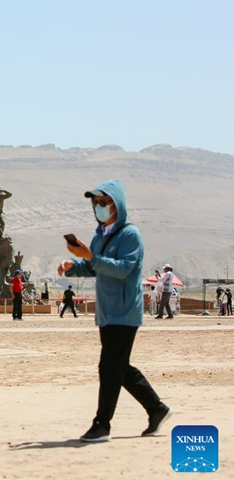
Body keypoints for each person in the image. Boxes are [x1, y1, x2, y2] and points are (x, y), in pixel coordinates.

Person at [58, 179, 172, 443]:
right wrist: (72, 265)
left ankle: (102, 425)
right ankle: (157, 409)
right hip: (107, 312)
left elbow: (122, 268)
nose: (98, 207)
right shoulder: (101, 235)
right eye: (95, 203)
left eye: (103, 202)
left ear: (116, 204)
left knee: (109, 366)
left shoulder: (130, 234)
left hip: (124, 310)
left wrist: (90, 257)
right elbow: (94, 267)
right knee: (119, 366)